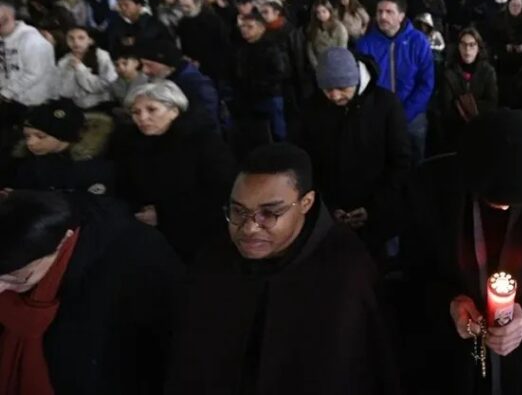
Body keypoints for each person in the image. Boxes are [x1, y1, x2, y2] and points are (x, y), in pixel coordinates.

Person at [166, 143, 400, 395]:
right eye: (238, 211)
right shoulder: (214, 261)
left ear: (306, 203)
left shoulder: (346, 271)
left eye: (270, 213)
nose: (249, 228)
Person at [402, 109, 522, 394]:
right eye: (494, 201)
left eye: (513, 203)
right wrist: (448, 303)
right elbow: (413, 268)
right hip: (455, 355)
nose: (503, 208)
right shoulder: (430, 184)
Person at [0, 191, 184, 394]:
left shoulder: (137, 260)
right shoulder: (18, 239)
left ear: (61, 243)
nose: (2, 289)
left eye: (15, 278)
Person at [111, 80, 236, 261]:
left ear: (174, 110)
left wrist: (164, 214)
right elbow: (123, 187)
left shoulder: (203, 142)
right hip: (145, 234)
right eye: (136, 112)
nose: (142, 118)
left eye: (151, 109)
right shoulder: (129, 144)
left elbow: (221, 191)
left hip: (197, 236)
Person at [301, 47, 411, 252]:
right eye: (327, 89)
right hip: (330, 217)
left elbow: (400, 162)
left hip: (379, 216)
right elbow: (307, 162)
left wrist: (374, 208)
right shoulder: (312, 109)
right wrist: (328, 207)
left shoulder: (386, 105)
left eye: (342, 87)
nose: (334, 96)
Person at [356, 0, 435, 164]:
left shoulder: (418, 41)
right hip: (378, 117)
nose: (382, 16)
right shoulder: (365, 44)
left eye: (389, 12)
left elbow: (426, 82)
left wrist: (405, 114)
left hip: (413, 116)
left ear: (401, 16)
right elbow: (361, 84)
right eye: (379, 12)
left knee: (415, 160)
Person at [2, 99, 115, 195]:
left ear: (64, 137)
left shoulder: (94, 170)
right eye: (27, 136)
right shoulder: (25, 159)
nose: (30, 142)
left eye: (41, 136)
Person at [433, 27, 499, 154]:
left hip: (482, 130)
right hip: (454, 132)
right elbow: (447, 107)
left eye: (472, 45)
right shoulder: (449, 72)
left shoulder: (488, 71)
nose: (467, 50)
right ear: (458, 47)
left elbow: (492, 103)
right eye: (463, 44)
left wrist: (463, 104)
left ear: (478, 47)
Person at [136, 38, 221, 131]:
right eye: (143, 65)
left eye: (149, 65)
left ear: (167, 64)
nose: (145, 70)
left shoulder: (198, 86)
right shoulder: (158, 81)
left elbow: (206, 121)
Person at [233, 11, 289, 144]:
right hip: (249, 97)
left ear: (261, 28)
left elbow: (281, 72)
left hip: (270, 95)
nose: (244, 30)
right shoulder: (241, 47)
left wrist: (261, 85)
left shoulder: (272, 46)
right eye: (242, 27)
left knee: (277, 133)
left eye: (250, 27)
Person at [0, 0, 56, 114]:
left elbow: (34, 74)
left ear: (7, 15)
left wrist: (5, 93)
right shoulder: (3, 37)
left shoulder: (32, 40)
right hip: (11, 100)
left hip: (32, 104)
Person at [175, 0, 231, 83]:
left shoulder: (213, 21)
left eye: (187, 6)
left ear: (198, 4)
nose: (184, 10)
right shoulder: (183, 22)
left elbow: (222, 46)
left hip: (212, 68)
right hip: (191, 66)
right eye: (181, 6)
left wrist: (202, 62)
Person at [55, 26, 117, 110]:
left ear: (90, 40)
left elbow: (106, 84)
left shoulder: (101, 56)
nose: (75, 42)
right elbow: (63, 91)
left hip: (101, 105)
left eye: (81, 38)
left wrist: (80, 69)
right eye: (71, 38)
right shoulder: (64, 61)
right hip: (74, 106)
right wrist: (70, 71)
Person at [106, 0, 171, 50]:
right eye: (120, 6)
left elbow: (146, 42)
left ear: (138, 6)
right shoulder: (119, 24)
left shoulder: (152, 23)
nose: (123, 8)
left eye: (126, 5)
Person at [306, 0, 348, 69]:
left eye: (324, 11)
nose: (321, 15)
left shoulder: (339, 27)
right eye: (318, 13)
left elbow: (342, 49)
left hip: (335, 64)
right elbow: (310, 49)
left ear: (330, 11)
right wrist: (316, 66)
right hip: (318, 64)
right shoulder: (312, 28)